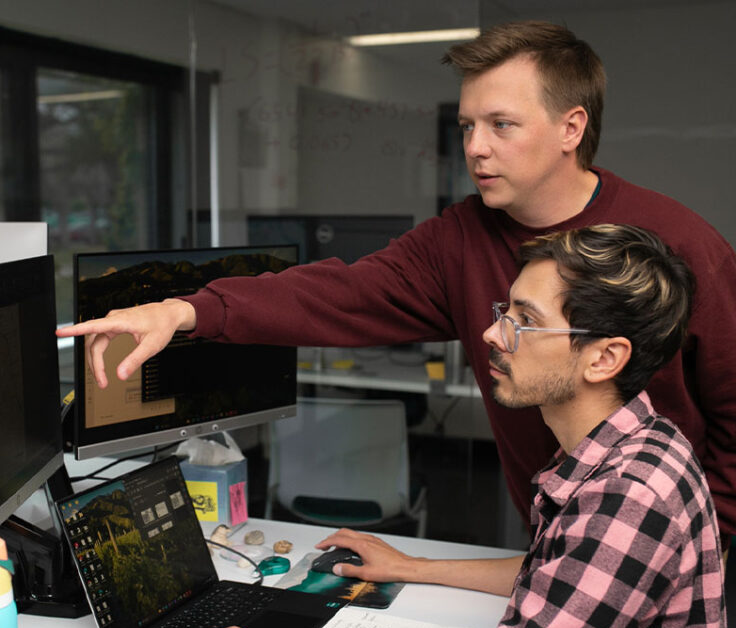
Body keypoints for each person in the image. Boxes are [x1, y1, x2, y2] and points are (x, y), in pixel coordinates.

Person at [56, 20, 736, 550]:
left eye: (501, 124)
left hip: (659, 548)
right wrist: (185, 312)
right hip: (555, 541)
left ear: (570, 127)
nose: (474, 147)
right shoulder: (458, 237)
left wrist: (712, 543)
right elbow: (338, 295)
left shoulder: (679, 244)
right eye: (469, 125)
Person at [164, 224, 736, 628]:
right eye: (503, 310)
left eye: (525, 321)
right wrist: (412, 567)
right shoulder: (639, 443)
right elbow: (563, 578)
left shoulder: (628, 499)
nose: (492, 333)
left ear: (604, 358)